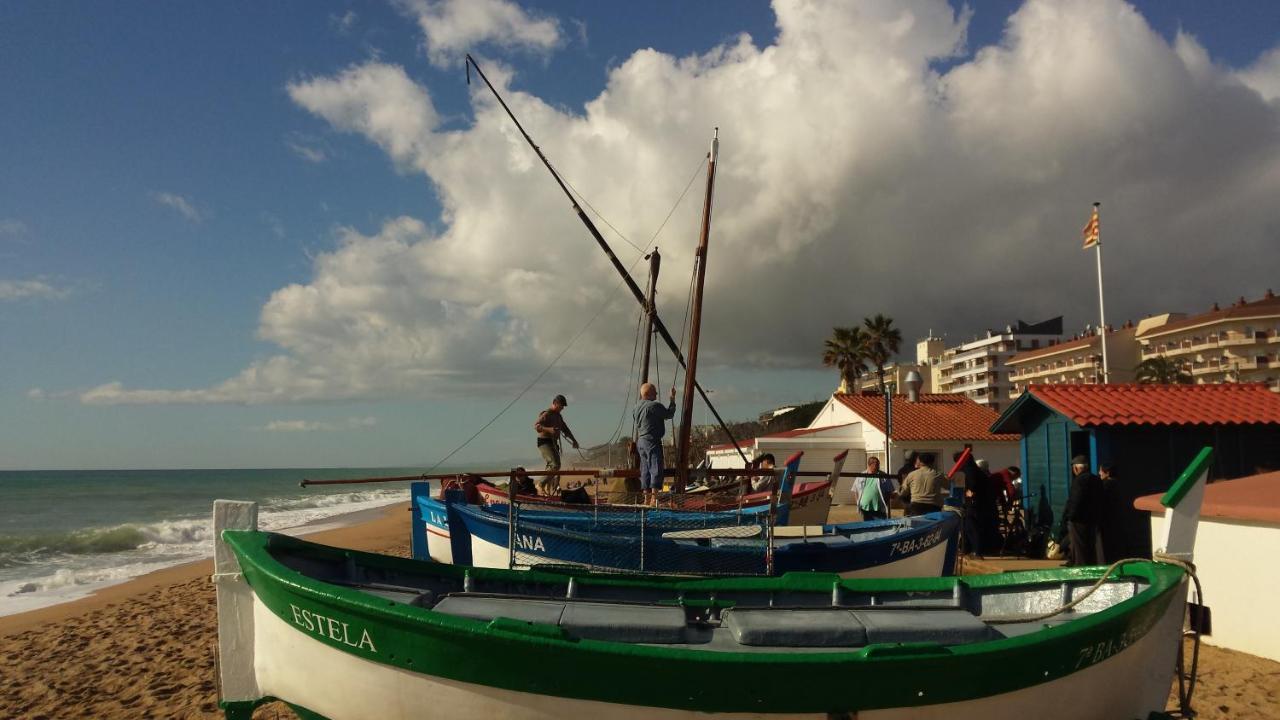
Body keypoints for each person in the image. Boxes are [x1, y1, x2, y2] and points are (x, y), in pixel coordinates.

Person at [633, 383, 676, 506]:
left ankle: (646, 499)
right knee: (656, 466)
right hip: (651, 440)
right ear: (647, 394)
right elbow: (669, 414)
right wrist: (672, 399)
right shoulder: (654, 406)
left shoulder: (636, 407)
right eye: (654, 392)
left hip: (640, 441)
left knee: (645, 469)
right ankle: (654, 498)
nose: (657, 394)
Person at [534, 394, 579, 495]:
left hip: (554, 443)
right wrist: (549, 429)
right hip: (544, 442)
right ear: (555, 403)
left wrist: (574, 440)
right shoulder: (546, 414)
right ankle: (540, 484)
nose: (562, 408)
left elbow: (565, 429)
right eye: (561, 406)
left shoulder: (558, 416)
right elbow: (536, 426)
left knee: (553, 466)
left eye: (563, 406)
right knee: (555, 465)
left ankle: (545, 488)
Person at [1064, 455, 1104, 566]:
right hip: (1094, 518)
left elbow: (1075, 500)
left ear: (1076, 468)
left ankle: (1081, 568)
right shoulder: (1096, 480)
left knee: (1079, 547)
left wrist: (1070, 516)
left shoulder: (1078, 481)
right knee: (1091, 546)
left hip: (1079, 520)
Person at [854, 456, 896, 521]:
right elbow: (855, 490)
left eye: (878, 464)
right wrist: (858, 503)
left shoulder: (883, 476)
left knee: (881, 527)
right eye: (876, 464)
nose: (878, 466)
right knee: (868, 528)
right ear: (869, 465)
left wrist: (885, 502)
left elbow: (889, 491)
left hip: (879, 509)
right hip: (865, 509)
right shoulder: (861, 475)